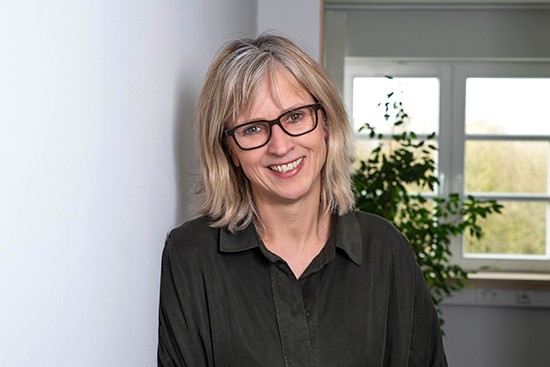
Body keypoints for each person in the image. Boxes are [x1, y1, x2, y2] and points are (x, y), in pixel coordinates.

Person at [157, 33, 448, 367]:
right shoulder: (191, 256)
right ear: (230, 151)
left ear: (324, 123)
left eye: (295, 116)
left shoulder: (386, 250)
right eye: (252, 128)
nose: (280, 146)